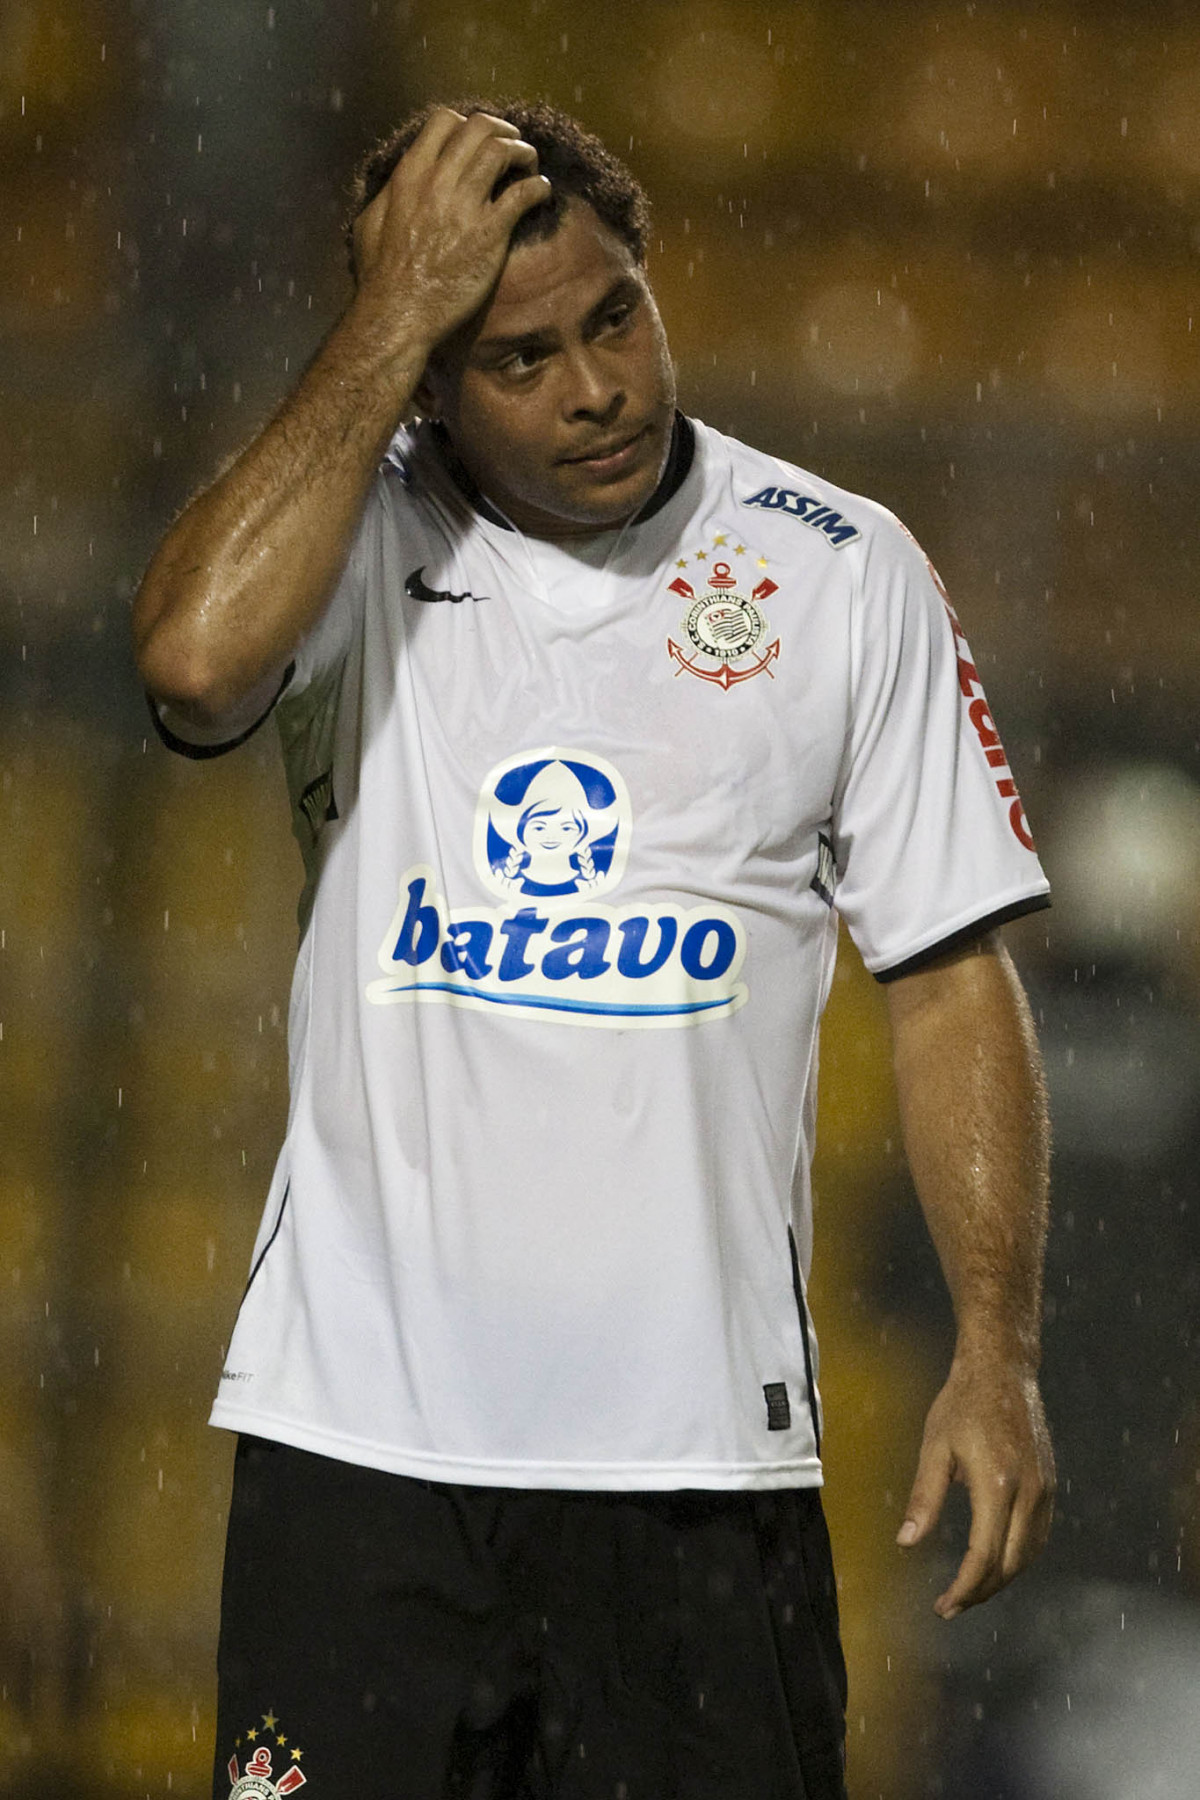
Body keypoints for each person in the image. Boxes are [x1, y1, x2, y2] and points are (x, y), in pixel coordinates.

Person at [133, 99, 1056, 1800]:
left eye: (614, 316)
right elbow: (189, 661)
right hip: (364, 1467)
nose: (595, 388)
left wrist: (995, 1350)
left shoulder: (842, 577)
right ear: (421, 377)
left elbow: (945, 978)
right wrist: (387, 319)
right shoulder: (342, 547)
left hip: (698, 1479)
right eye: (515, 356)